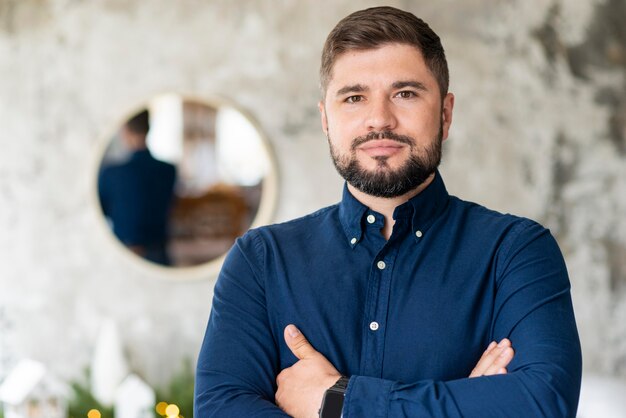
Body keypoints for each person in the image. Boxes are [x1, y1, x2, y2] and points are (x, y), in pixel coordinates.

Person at [194, 6, 582, 417]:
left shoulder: (517, 251)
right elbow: (221, 409)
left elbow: (542, 403)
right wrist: (463, 403)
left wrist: (338, 401)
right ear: (326, 119)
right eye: (354, 97)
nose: (379, 118)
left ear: (446, 114)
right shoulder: (260, 261)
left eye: (405, 93)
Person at [98, 110, 177, 266]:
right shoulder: (168, 170)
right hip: (159, 251)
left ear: (125, 131)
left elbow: (102, 210)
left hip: (124, 253)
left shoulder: (112, 173)